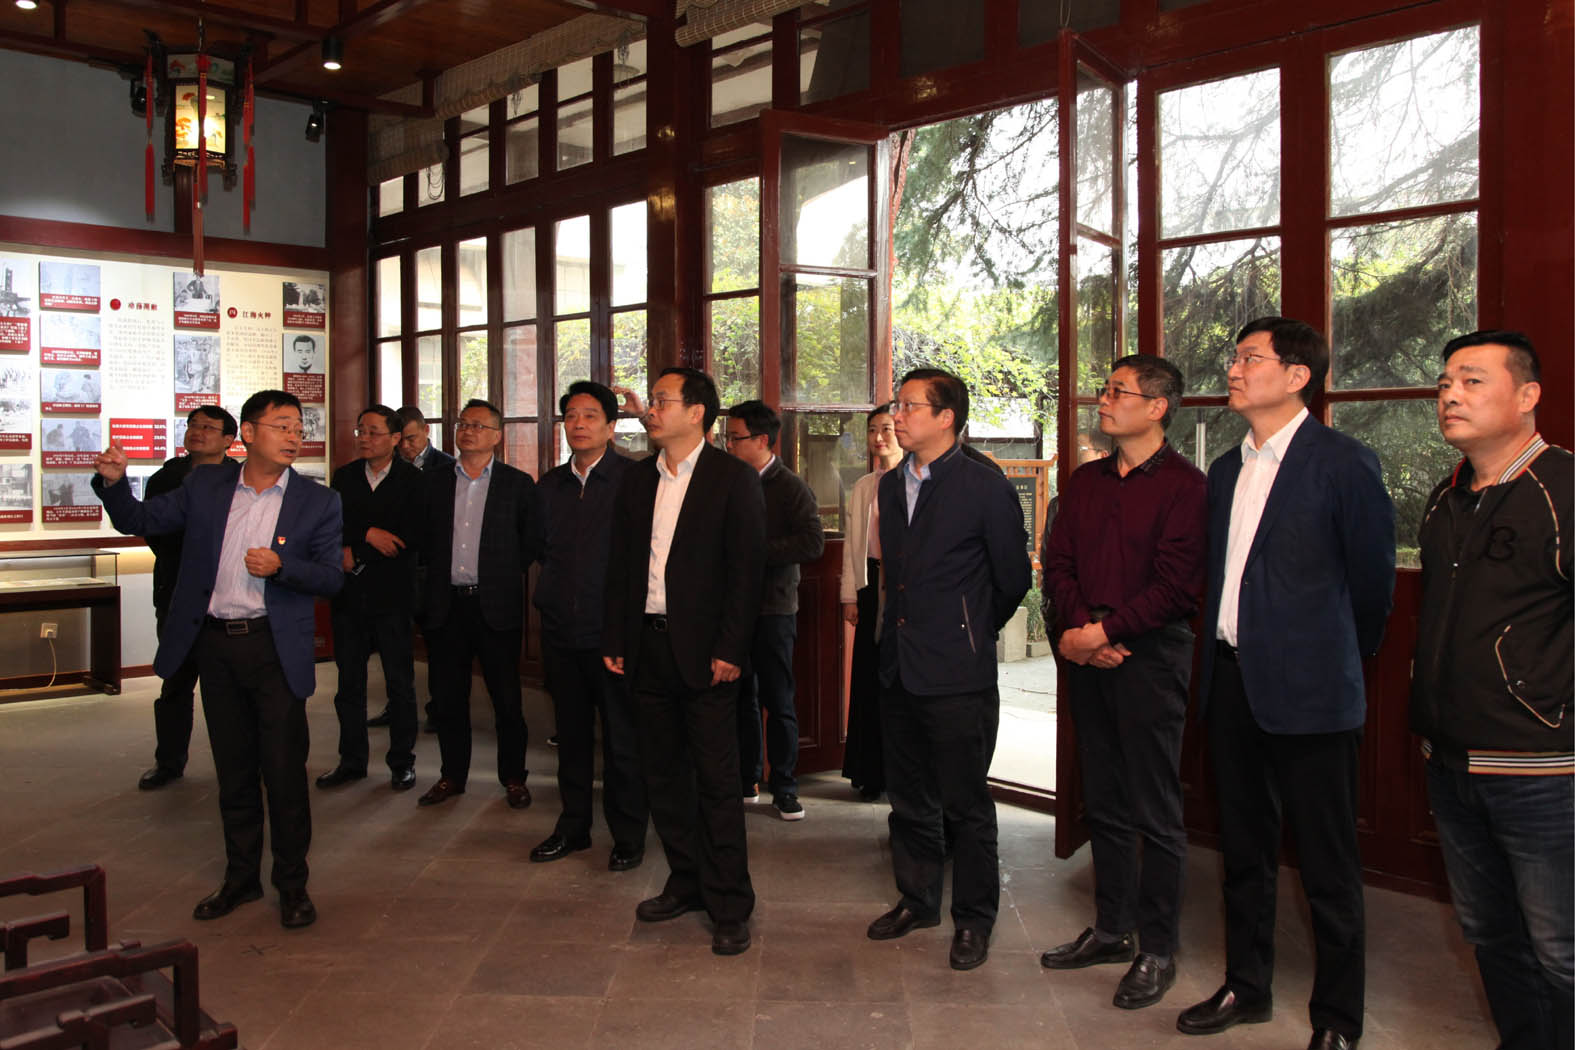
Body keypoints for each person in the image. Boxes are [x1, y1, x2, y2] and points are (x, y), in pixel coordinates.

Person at [1177, 318, 1395, 1050]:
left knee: (1327, 869)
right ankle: (1246, 987)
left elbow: (1371, 590)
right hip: (1231, 685)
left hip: (1312, 694)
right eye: (1234, 357)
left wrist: (1330, 661)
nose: (1234, 370)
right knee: (1242, 854)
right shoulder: (1226, 468)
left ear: (1298, 376)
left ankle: (1337, 1019)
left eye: (1250, 358)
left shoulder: (1343, 463)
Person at [92, 389, 343, 930]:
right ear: (248, 434)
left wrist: (282, 567)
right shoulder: (206, 485)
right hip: (216, 645)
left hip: (274, 647)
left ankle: (292, 885)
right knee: (233, 771)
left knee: (283, 772)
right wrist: (113, 483)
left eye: (298, 428)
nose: (294, 437)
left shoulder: (318, 501)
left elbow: (330, 578)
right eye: (281, 426)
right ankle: (241, 878)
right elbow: (140, 517)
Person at [1411, 330, 1572, 1050]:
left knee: (1561, 950)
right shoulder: (1446, 499)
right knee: (1489, 934)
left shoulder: (1562, 490)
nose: (1451, 394)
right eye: (1446, 382)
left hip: (1543, 770)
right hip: (1450, 763)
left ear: (1527, 395)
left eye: (1472, 381)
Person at [1039, 356, 1207, 1010]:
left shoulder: (1186, 487)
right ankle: (1111, 929)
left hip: (1151, 655)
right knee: (1103, 800)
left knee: (1154, 809)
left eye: (1118, 392)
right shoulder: (1085, 482)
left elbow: (1176, 587)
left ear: (1157, 407)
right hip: (1088, 651)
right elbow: (1058, 564)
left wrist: (1102, 634)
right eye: (1104, 390)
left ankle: (1157, 948)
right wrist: (1082, 631)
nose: (1103, 401)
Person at [865, 367, 1031, 972]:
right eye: (897, 405)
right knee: (909, 799)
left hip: (957, 673)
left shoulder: (983, 485)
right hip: (899, 666)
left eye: (910, 406)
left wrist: (969, 630)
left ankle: (974, 920)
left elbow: (1013, 577)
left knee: (966, 804)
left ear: (946, 418)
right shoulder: (891, 484)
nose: (897, 416)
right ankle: (918, 899)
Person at [603, 366, 765, 956]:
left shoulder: (731, 478)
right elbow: (622, 565)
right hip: (646, 646)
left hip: (706, 653)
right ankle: (687, 880)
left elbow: (747, 573)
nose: (651, 410)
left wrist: (731, 649)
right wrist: (617, 637)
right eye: (652, 401)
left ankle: (729, 902)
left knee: (717, 782)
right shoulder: (638, 478)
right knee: (664, 776)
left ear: (696, 412)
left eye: (662, 401)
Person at [528, 380, 649, 871]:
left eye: (590, 416)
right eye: (571, 416)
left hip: (614, 635)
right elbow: (542, 549)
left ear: (611, 426)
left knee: (622, 741)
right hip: (561, 631)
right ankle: (573, 827)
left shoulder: (633, 479)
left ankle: (628, 835)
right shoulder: (550, 485)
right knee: (572, 738)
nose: (578, 424)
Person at [415, 398, 543, 810]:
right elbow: (423, 541)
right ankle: (452, 776)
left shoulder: (517, 484)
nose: (467, 431)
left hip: (495, 606)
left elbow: (530, 542)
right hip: (446, 606)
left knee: (506, 699)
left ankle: (514, 778)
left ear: (497, 436)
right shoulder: (433, 481)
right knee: (448, 699)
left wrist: (500, 573)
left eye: (478, 426)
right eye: (463, 424)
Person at [724, 399, 825, 820]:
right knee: (738, 697)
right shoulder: (727, 482)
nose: (729, 445)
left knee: (778, 700)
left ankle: (784, 786)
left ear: (762, 440)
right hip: (731, 609)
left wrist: (755, 552)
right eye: (727, 437)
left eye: (735, 438)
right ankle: (746, 778)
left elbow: (812, 543)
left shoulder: (791, 487)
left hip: (774, 609)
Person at [318, 405, 425, 793]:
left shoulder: (414, 480)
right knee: (349, 684)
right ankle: (351, 761)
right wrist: (365, 535)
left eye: (373, 432)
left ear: (395, 439)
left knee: (399, 684)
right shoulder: (345, 476)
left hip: (393, 595)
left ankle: (402, 762)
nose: (364, 438)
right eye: (360, 431)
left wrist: (358, 548)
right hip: (349, 595)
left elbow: (408, 537)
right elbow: (331, 523)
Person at [136, 405, 238, 790]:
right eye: (193, 425)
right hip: (177, 591)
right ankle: (169, 761)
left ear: (228, 440)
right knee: (175, 682)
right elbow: (154, 532)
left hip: (226, 595)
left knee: (228, 688)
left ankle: (237, 763)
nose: (197, 432)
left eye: (208, 427)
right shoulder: (166, 478)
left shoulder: (240, 478)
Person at [368, 405, 453, 732]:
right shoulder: (390, 469)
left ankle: (439, 709)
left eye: (412, 439)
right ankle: (398, 706)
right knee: (397, 646)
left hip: (431, 570)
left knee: (438, 646)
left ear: (426, 431)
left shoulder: (446, 467)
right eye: (400, 440)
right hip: (396, 569)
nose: (406, 446)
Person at [840, 406, 902, 801]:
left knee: (899, 680)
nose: (878, 438)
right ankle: (869, 772)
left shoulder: (914, 480)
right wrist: (849, 595)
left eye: (887, 429)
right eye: (872, 430)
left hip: (903, 587)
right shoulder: (865, 485)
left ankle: (900, 774)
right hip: (870, 584)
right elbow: (853, 545)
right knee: (867, 678)